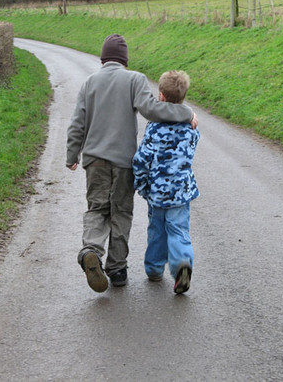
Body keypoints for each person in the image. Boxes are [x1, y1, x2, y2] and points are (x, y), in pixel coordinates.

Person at [66, 34, 198, 293]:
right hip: (124, 161)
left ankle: (91, 250)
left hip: (95, 162)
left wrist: (72, 155)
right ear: (125, 60)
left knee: (97, 210)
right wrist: (186, 112)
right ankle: (117, 270)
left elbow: (77, 124)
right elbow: (152, 110)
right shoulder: (134, 79)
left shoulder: (89, 83)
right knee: (121, 213)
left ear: (103, 58)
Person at [132, 70, 200, 294]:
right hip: (180, 192)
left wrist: (141, 185)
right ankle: (182, 265)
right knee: (179, 230)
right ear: (183, 97)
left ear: (160, 96)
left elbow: (142, 160)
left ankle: (153, 269)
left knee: (157, 231)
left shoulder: (154, 129)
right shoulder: (191, 129)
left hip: (158, 192)